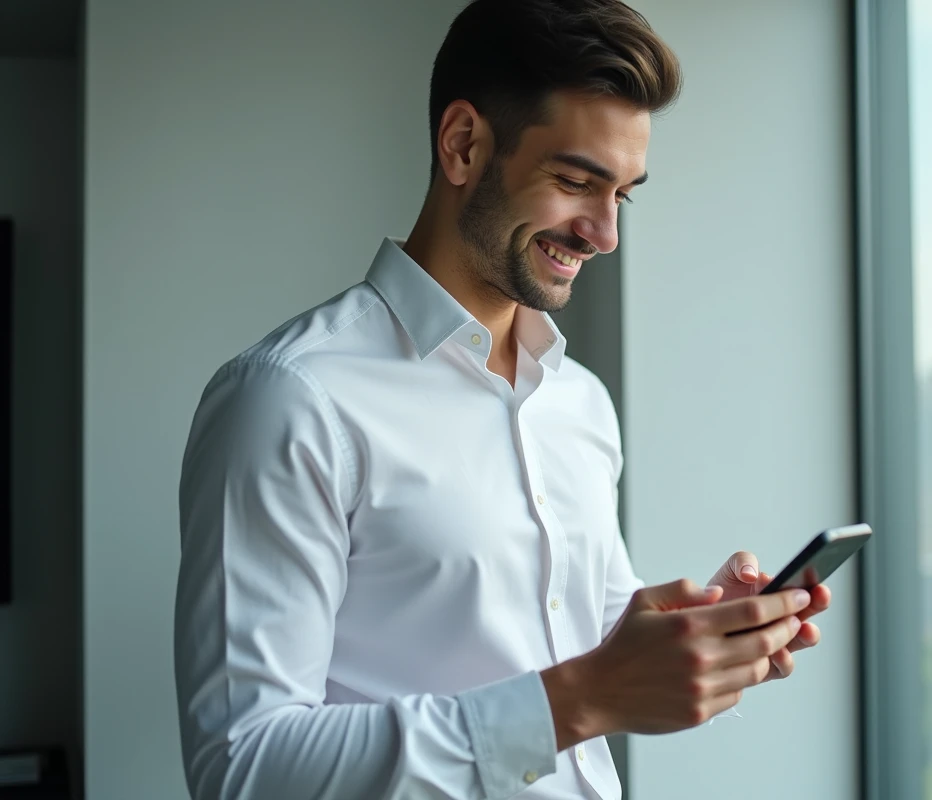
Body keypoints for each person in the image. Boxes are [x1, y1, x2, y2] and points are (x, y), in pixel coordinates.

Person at [173, 1, 832, 798]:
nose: (604, 233)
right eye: (576, 182)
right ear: (463, 145)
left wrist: (693, 636)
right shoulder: (291, 401)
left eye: (623, 195)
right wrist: (579, 701)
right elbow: (242, 767)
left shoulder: (578, 402)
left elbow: (574, 635)